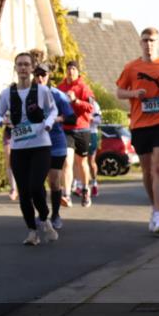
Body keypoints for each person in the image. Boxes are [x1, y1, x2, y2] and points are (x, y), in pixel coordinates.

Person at [115, 27, 159, 236]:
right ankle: (156, 209)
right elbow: (119, 91)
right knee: (147, 171)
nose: (148, 44)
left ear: (157, 43)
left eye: (152, 40)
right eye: (145, 40)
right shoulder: (131, 67)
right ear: (140, 43)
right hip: (140, 124)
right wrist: (135, 93)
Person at [0, 53, 58, 245]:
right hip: (19, 147)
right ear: (15, 68)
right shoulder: (7, 93)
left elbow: (53, 110)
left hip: (40, 145)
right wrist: (1, 121)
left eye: (26, 65)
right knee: (23, 191)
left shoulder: (42, 91)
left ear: (32, 68)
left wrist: (48, 123)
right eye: (19, 65)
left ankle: (45, 218)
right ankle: (32, 231)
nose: (23, 68)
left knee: (35, 186)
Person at [34, 63, 72, 229]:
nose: (40, 78)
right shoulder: (28, 95)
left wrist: (58, 119)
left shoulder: (58, 95)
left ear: (49, 75)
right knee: (37, 182)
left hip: (56, 143)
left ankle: (55, 215)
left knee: (55, 181)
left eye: (43, 74)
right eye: (37, 75)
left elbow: (72, 118)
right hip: (36, 143)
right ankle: (43, 214)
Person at [57, 61, 95, 207]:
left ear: (78, 72)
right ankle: (66, 194)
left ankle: (85, 190)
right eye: (68, 69)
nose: (70, 72)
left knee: (82, 163)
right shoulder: (60, 88)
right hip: (66, 130)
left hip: (82, 129)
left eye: (73, 69)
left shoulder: (83, 87)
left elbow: (91, 107)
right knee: (67, 161)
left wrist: (76, 101)